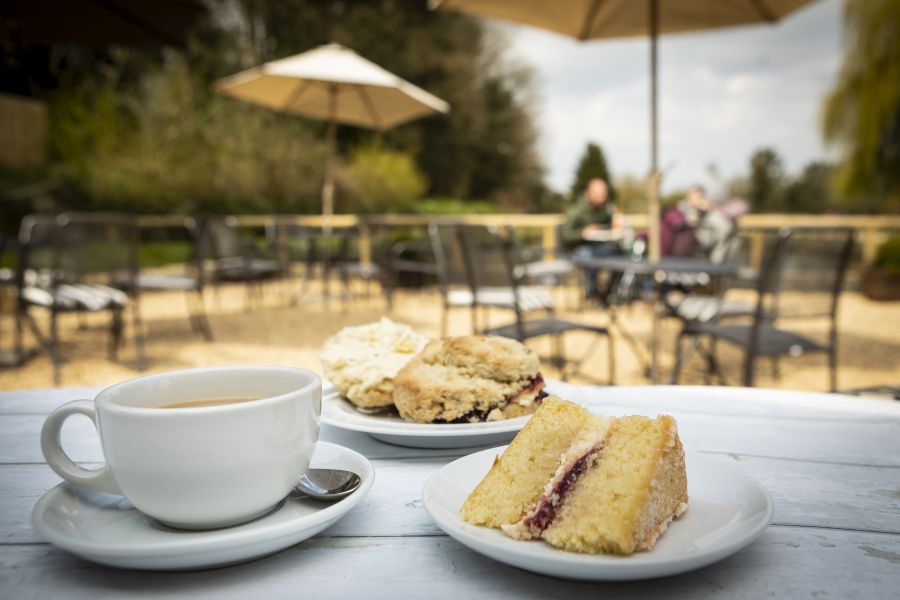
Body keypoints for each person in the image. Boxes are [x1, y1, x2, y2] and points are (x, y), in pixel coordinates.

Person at [561, 178, 622, 299]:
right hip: (577, 248)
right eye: (599, 196)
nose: (602, 199)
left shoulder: (604, 209)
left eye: (604, 196)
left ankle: (610, 293)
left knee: (619, 258)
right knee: (589, 257)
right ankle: (591, 293)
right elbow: (565, 235)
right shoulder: (576, 211)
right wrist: (582, 233)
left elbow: (610, 224)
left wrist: (614, 223)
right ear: (589, 193)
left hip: (599, 246)